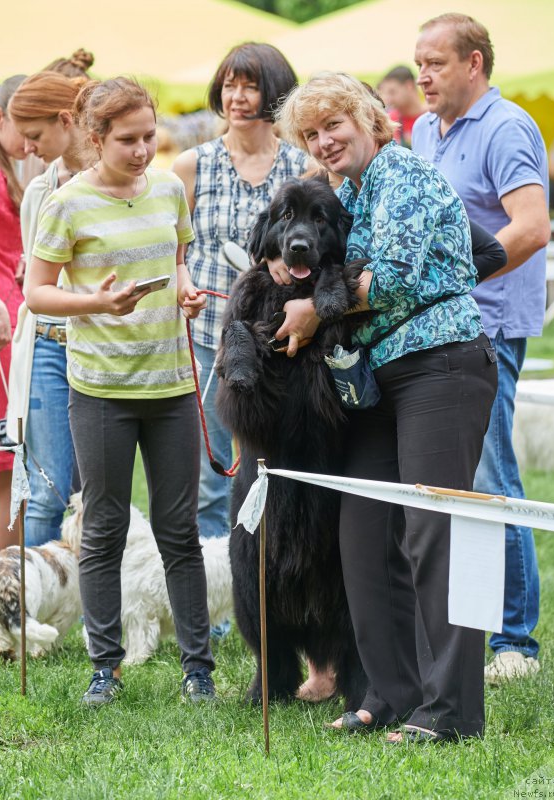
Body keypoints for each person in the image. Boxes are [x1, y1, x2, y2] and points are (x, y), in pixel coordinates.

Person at [272, 71, 498, 742]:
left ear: (370, 119)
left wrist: (314, 305)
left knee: (434, 533)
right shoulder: (345, 193)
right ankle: (386, 693)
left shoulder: (403, 175)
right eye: (311, 134)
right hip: (374, 378)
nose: (324, 140)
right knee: (362, 535)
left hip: (441, 364)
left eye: (333, 125)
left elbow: (393, 277)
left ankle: (451, 711)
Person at [26, 76, 215, 706]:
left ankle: (198, 670)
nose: (141, 150)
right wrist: (96, 301)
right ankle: (104, 668)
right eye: (127, 140)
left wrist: (185, 290)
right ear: (95, 137)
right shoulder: (67, 203)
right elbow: (37, 293)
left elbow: (180, 256)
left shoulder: (168, 187)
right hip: (102, 388)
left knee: (177, 529)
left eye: (149, 136)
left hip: (171, 387)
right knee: (103, 528)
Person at [412, 13, 550, 684]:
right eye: (417, 63)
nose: (422, 75)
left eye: (435, 63)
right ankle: (465, 626)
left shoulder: (505, 127)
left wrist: (454, 278)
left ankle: (515, 641)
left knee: (490, 481)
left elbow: (530, 229)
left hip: (489, 324)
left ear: (474, 65)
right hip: (439, 329)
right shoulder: (420, 129)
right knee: (454, 484)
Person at [172, 42, 307, 635]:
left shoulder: (298, 166)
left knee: (270, 469)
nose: (237, 97)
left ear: (273, 93)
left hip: (283, 346)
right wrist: (183, 285)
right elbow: (178, 252)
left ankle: (270, 596)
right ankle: (217, 616)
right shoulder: (191, 165)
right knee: (211, 480)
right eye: (229, 85)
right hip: (211, 338)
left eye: (250, 86)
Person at [7, 70, 95, 546]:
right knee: (47, 490)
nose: (28, 148)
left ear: (66, 120)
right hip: (48, 345)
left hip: (102, 347)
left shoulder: (119, 179)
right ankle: (29, 613)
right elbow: (38, 287)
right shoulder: (39, 191)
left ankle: (95, 610)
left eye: (36, 136)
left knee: (97, 492)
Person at [0, 75, 26, 547]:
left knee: (15, 460)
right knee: (7, 463)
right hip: (2, 325)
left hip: (21, 323)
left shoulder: (18, 168)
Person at [377, 66, 425, 149]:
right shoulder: (388, 121)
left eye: (392, 92)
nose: (388, 99)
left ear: (408, 86)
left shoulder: (433, 118)